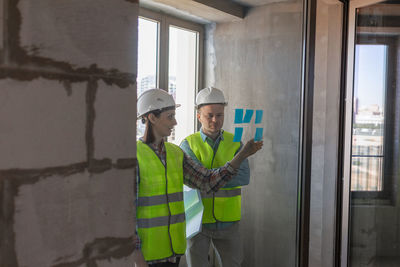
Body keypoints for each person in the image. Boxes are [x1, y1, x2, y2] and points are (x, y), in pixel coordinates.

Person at [133, 88, 263, 267]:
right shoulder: (134, 156)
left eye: (220, 115)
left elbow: (207, 181)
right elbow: (127, 215)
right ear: (152, 118)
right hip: (148, 254)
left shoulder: (175, 153)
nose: (175, 122)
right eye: (170, 116)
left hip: (172, 252)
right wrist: (137, 257)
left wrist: (241, 155)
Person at [181, 87, 250, 267]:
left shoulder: (235, 142)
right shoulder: (188, 144)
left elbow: (243, 177)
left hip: (229, 221)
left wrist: (209, 178)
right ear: (198, 116)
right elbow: (198, 180)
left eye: (220, 115)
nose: (215, 120)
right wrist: (224, 173)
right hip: (198, 221)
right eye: (209, 115)